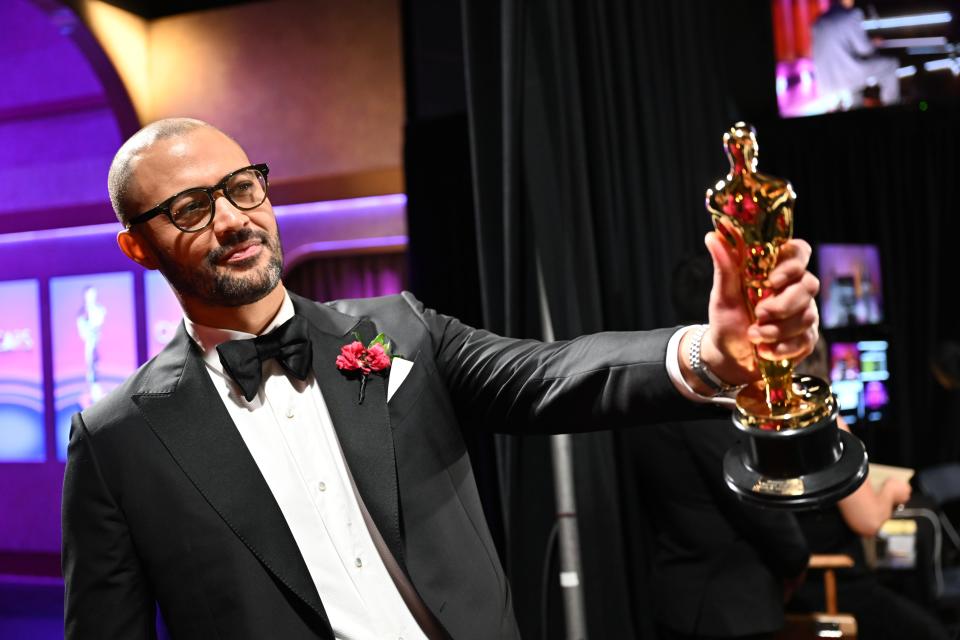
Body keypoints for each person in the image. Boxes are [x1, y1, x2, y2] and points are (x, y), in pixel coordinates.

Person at [61, 118, 822, 640]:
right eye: (192, 208)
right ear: (138, 247)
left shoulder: (399, 330)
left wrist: (710, 355)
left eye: (242, 187)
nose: (232, 219)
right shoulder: (119, 438)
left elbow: (548, 374)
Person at [637, 255, 809, 640]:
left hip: (681, 597)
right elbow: (755, 494)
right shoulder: (709, 393)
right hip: (729, 607)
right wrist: (797, 559)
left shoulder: (653, 382)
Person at [788, 340, 950, 640]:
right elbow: (868, 520)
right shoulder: (825, 425)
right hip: (834, 584)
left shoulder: (762, 427)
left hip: (788, 588)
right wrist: (891, 490)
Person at [812, 0, 900, 109]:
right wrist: (874, 43)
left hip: (825, 82)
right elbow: (864, 49)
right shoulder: (851, 14)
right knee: (890, 65)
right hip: (847, 75)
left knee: (856, 87)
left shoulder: (819, 21)